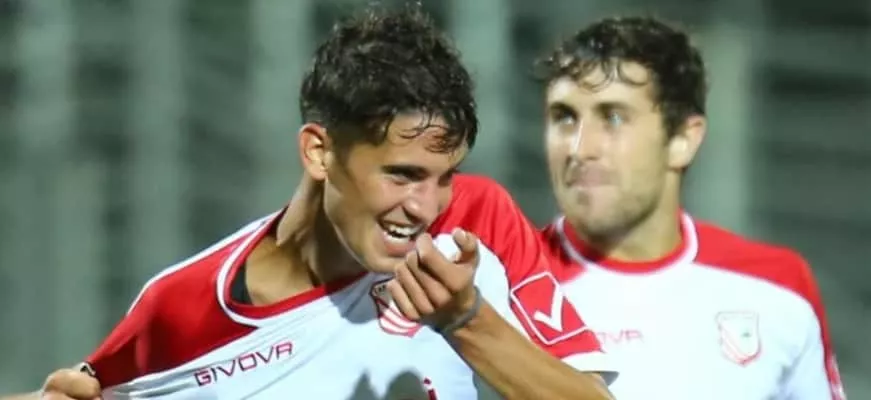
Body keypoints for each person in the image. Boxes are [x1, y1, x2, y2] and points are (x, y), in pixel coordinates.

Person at [10, 6, 617, 400]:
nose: (426, 206)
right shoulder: (180, 306)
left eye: (444, 177)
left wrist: (466, 321)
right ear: (319, 152)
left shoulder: (475, 222)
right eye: (403, 175)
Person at [535, 16, 846, 399]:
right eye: (564, 117)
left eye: (613, 117)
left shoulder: (779, 287)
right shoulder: (500, 289)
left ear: (683, 139)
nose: (580, 148)